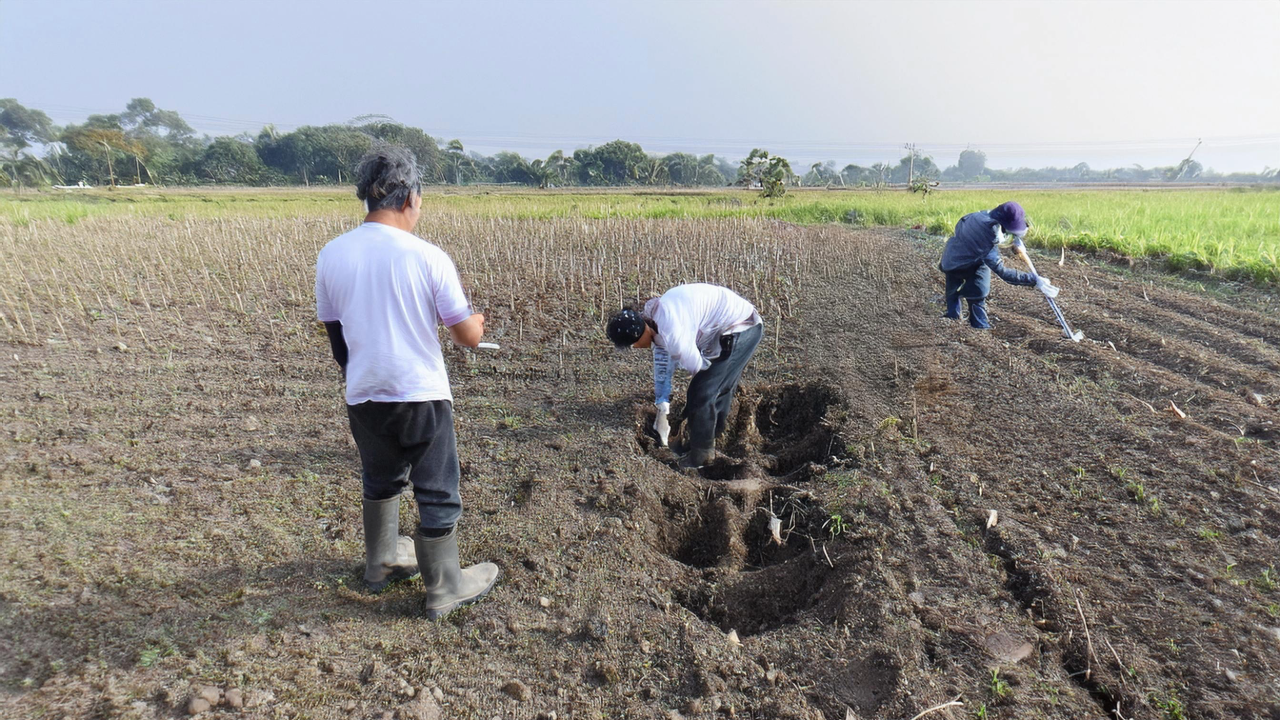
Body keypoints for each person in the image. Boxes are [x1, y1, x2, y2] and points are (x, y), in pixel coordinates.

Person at [314, 145, 498, 619]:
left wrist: (365, 379)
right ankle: (444, 587)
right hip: (420, 393)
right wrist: (477, 323)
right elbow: (464, 335)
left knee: (380, 476)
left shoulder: (331, 255)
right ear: (409, 198)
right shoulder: (428, 257)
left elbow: (339, 342)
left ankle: (381, 562)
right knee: (436, 488)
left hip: (363, 391)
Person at [606, 284, 763, 470]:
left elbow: (699, 368)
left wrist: (691, 407)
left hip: (742, 328)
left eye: (634, 344)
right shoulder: (655, 319)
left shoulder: (672, 333)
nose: (637, 348)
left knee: (703, 392)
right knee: (713, 388)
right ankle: (713, 437)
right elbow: (663, 366)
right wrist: (662, 407)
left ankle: (702, 456)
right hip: (731, 328)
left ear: (639, 335)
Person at [939, 201, 1058, 329]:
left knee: (957, 291)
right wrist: (1034, 280)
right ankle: (977, 328)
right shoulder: (986, 237)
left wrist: (1016, 240)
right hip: (959, 261)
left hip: (955, 256)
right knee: (977, 293)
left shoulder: (983, 215)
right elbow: (1003, 272)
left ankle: (954, 320)